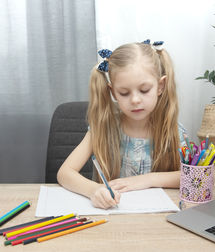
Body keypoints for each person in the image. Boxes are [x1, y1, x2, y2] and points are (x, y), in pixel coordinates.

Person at [57, 40, 186, 209]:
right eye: (124, 93)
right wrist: (94, 190)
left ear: (160, 86)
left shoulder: (173, 130)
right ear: (113, 93)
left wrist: (147, 180)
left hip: (158, 223)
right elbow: (64, 173)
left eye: (144, 90)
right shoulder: (102, 128)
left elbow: (196, 176)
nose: (135, 100)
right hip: (113, 220)